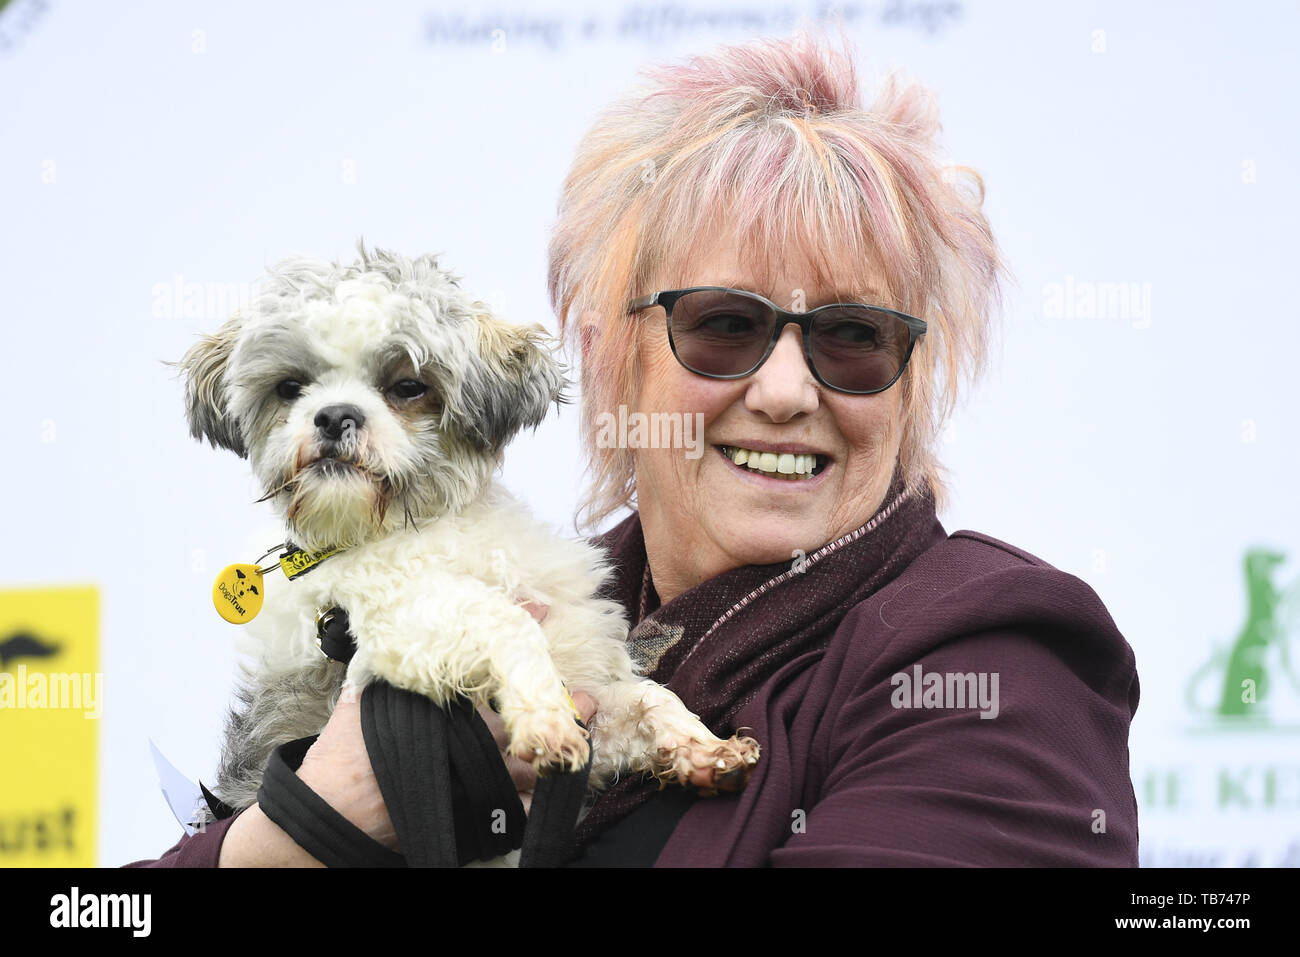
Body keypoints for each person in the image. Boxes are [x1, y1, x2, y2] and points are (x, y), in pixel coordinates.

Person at [126, 29, 1139, 868]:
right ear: (611, 356)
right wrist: (297, 831)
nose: (786, 391)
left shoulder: (990, 658)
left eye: (851, 337)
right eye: (723, 326)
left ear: (913, 383)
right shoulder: (537, 592)